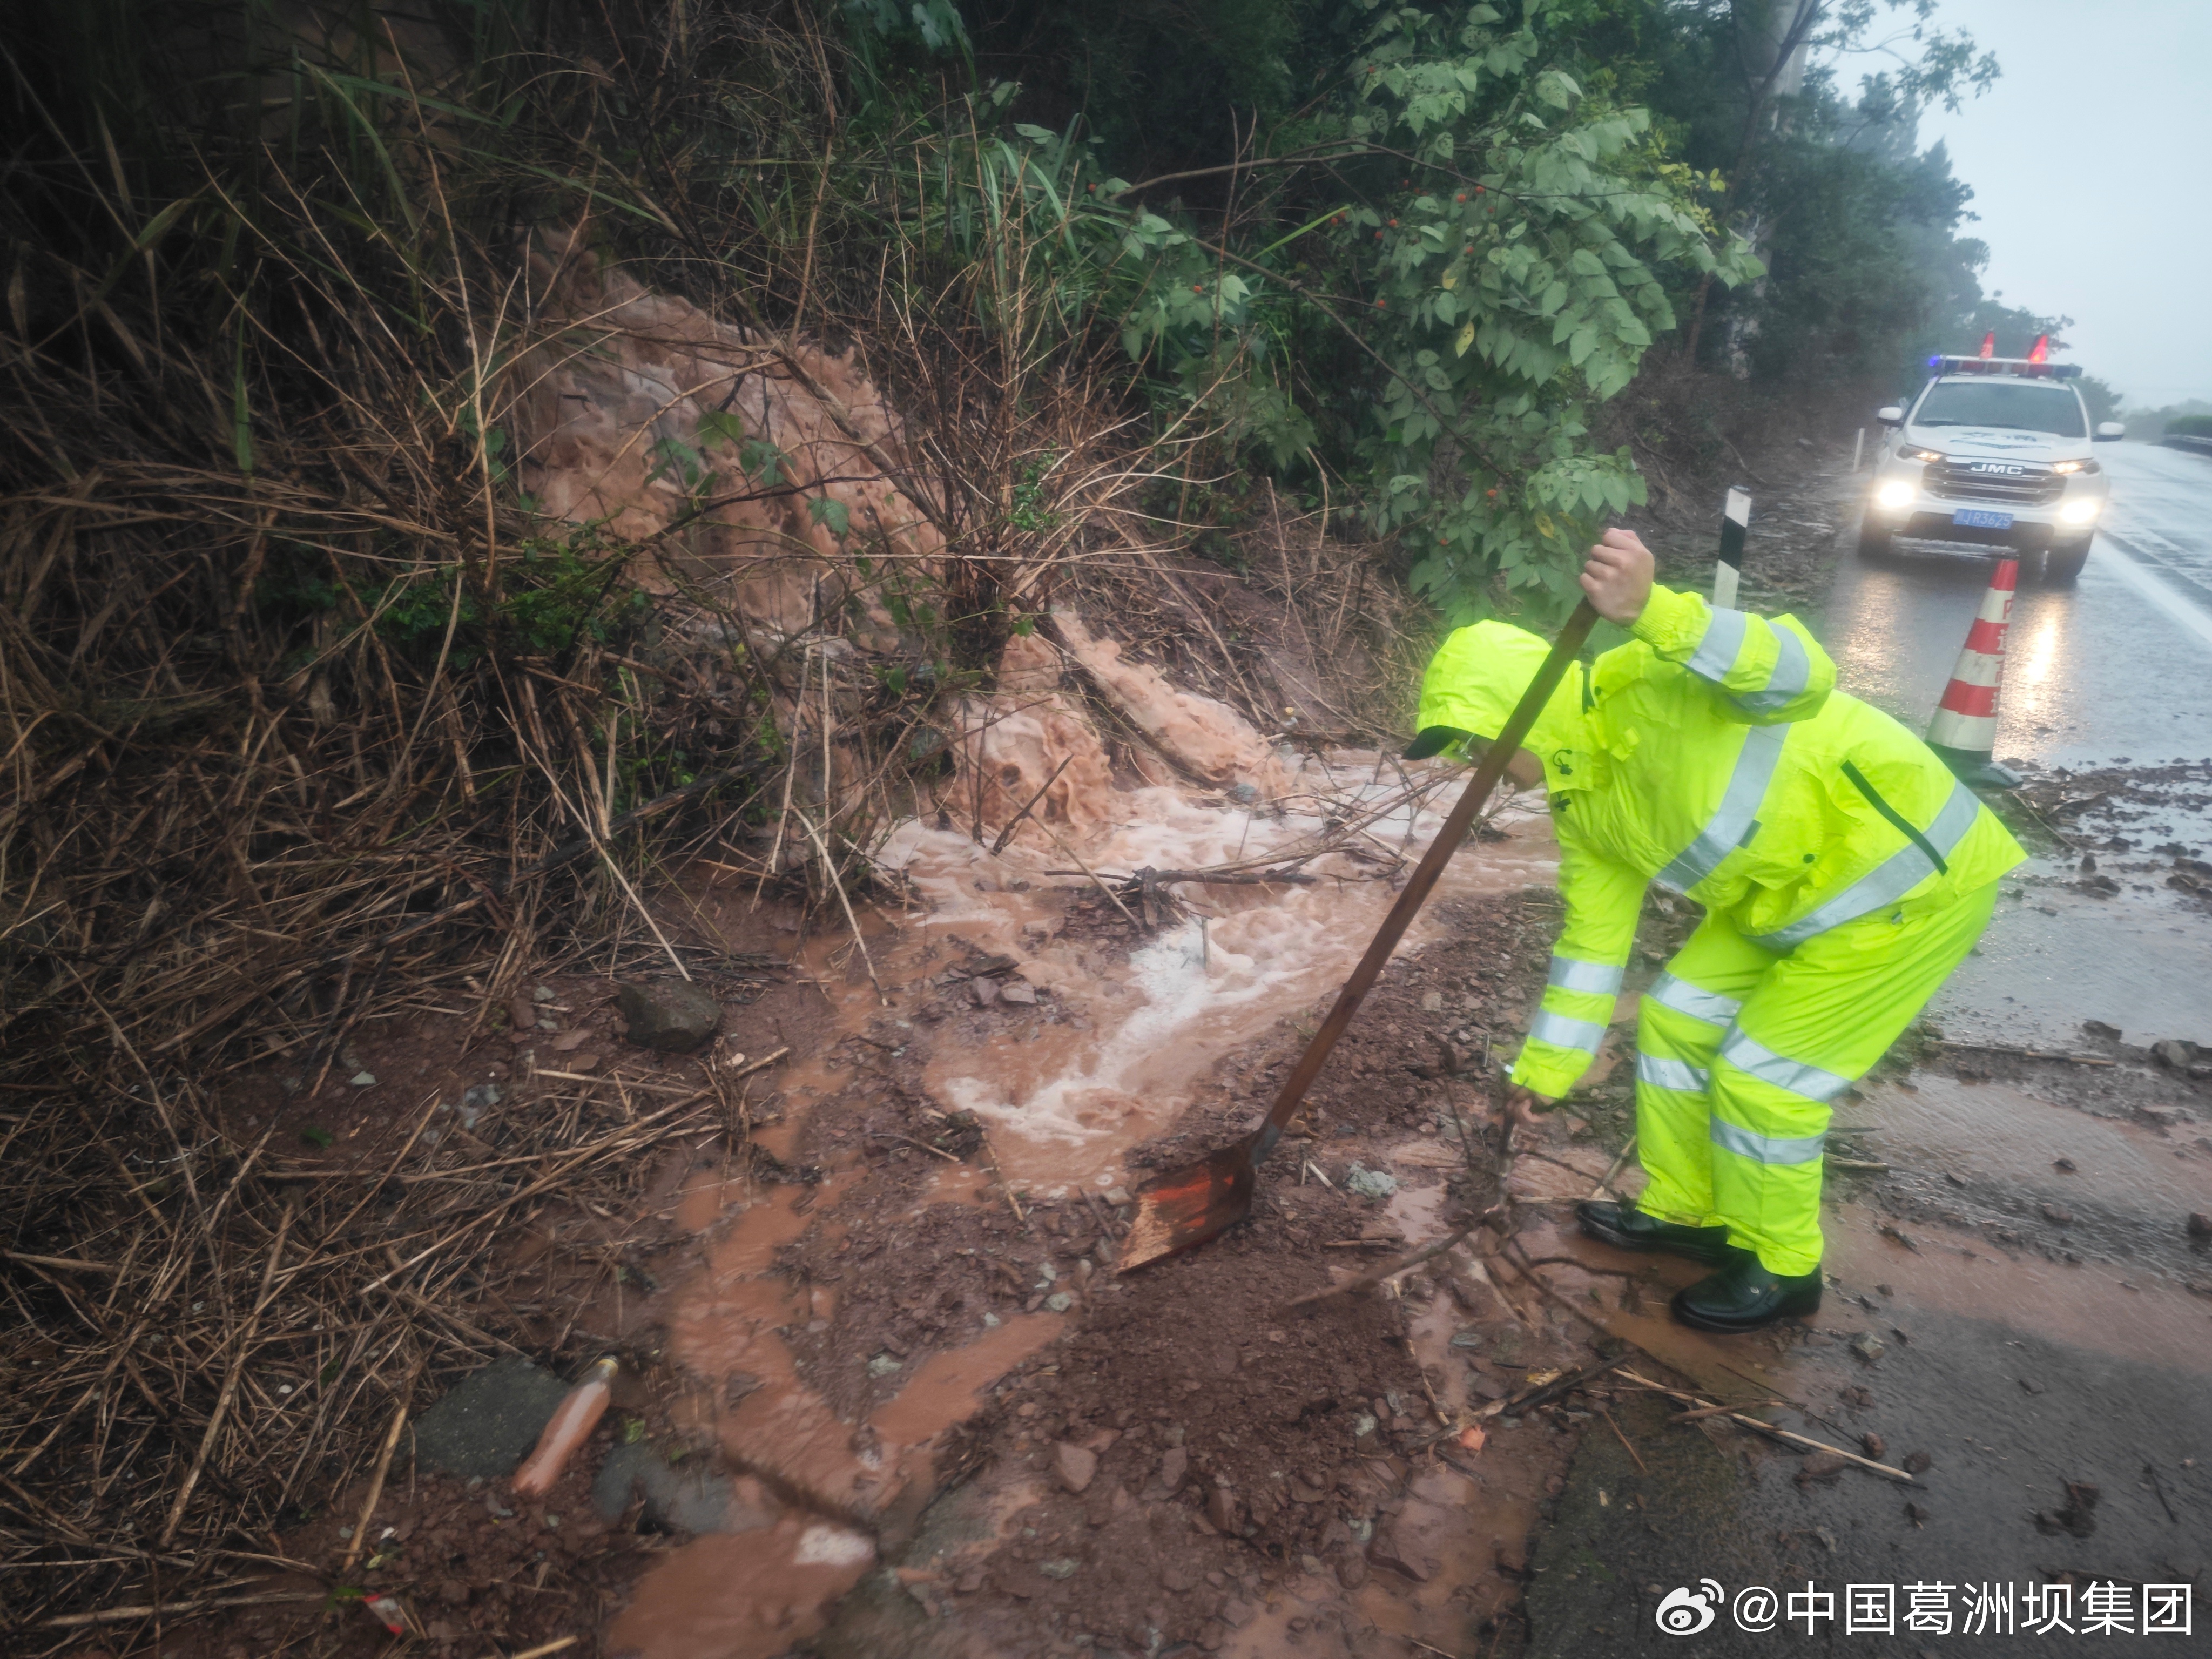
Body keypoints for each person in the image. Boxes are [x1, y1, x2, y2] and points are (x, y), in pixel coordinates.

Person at [1404, 529, 2023, 1332]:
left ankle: (1782, 1264)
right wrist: (1546, 1071)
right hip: (1786, 901)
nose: (1478, 763)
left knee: (1764, 1078)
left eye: (1482, 740)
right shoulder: (1582, 804)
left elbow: (1805, 674)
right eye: (1466, 750)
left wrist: (1655, 610)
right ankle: (1690, 1210)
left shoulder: (1652, 676)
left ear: (1532, 712)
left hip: (1906, 886)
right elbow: (1592, 949)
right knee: (1674, 1017)